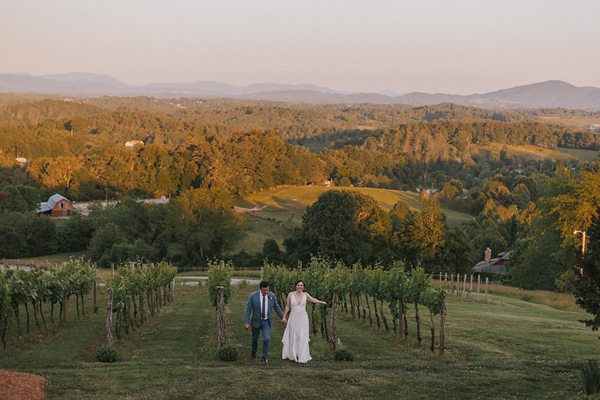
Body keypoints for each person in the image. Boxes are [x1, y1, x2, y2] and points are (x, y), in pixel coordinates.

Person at [281, 279, 326, 363]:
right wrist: (284, 317)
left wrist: (321, 302)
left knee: (302, 335)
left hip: (303, 318)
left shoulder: (305, 295)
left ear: (303, 287)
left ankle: (301, 355)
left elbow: (313, 300)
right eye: (298, 285)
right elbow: (287, 306)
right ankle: (293, 355)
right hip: (293, 318)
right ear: (295, 286)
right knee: (293, 335)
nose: (300, 287)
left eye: (301, 285)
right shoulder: (291, 294)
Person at [244, 280, 284, 363]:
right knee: (255, 338)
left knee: (266, 338)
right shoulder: (253, 296)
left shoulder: (272, 296)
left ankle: (264, 357)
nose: (266, 292)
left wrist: (283, 317)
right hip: (256, 321)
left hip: (266, 321)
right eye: (264, 290)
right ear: (260, 289)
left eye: (267, 290)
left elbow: (277, 308)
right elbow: (248, 310)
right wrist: (247, 322)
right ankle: (253, 353)